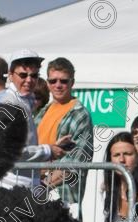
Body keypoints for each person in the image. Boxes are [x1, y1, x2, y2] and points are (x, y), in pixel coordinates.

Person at [0, 49, 73, 189]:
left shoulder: (22, 101)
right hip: (9, 189)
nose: (29, 80)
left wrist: (54, 147)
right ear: (11, 75)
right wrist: (48, 151)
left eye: (34, 75)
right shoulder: (9, 104)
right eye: (23, 75)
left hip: (22, 187)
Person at [35, 57, 94, 205]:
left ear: (72, 83)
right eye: (53, 81)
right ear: (47, 83)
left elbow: (74, 162)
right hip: (34, 189)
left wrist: (42, 187)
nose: (58, 85)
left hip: (60, 197)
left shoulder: (80, 114)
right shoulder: (43, 112)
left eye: (63, 81)